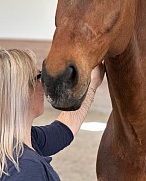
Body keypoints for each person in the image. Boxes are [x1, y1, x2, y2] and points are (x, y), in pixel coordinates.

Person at [0, 48, 105, 180]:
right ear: (20, 93)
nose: (43, 85)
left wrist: (92, 84)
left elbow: (62, 131)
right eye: (38, 77)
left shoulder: (18, 142)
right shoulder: (26, 169)